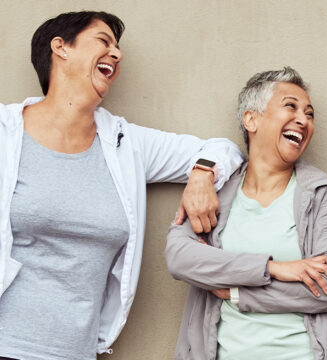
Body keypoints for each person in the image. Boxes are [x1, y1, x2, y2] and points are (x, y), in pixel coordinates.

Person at [0, 11, 244, 360]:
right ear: (61, 48)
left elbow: (224, 149)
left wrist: (203, 173)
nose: (117, 54)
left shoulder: (125, 143)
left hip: (78, 353)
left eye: (117, 47)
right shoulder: (6, 132)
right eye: (103, 41)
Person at [166, 67, 327, 360]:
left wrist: (236, 293)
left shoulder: (323, 194)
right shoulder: (215, 190)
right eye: (290, 106)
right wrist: (272, 268)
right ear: (251, 119)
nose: (303, 119)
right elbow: (180, 257)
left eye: (309, 114)